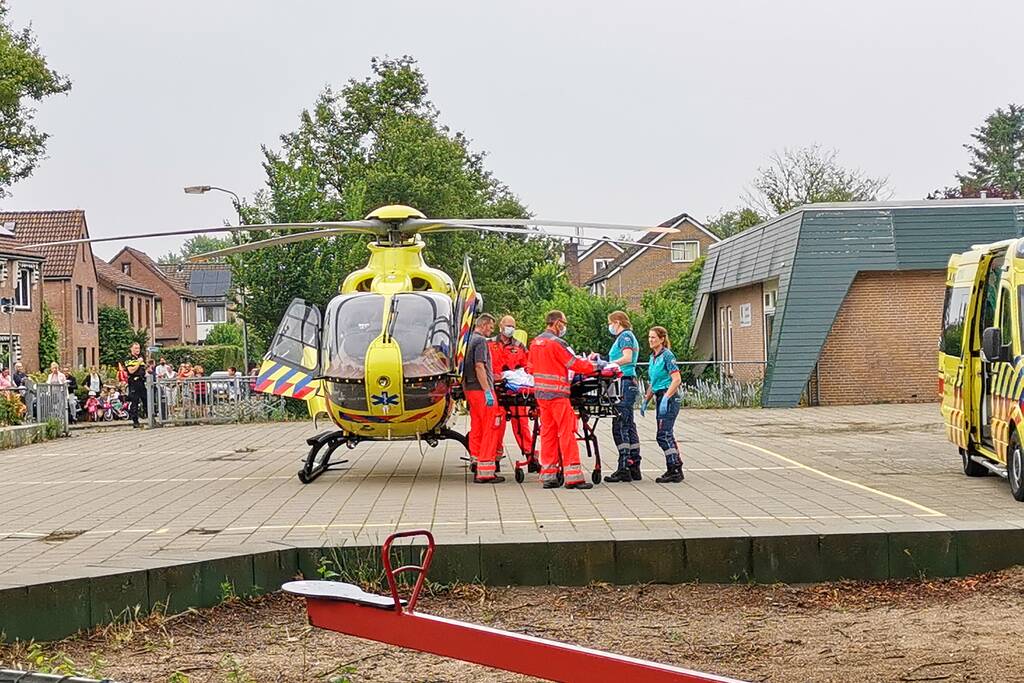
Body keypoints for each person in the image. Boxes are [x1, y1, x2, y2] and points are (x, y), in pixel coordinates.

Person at [528, 310, 601, 490]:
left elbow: (530, 368)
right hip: (558, 396)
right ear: (557, 323)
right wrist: (596, 366)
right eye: (564, 323)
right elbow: (574, 364)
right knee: (566, 433)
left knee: (548, 433)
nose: (564, 327)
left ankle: (549, 476)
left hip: (541, 396)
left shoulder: (535, 343)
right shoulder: (557, 343)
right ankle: (573, 477)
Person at [489, 315, 537, 471]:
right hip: (497, 390)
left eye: (513, 326)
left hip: (515, 391)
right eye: (508, 325)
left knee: (522, 423)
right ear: (501, 326)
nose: (510, 328)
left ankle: (530, 456)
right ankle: (495, 458)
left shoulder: (519, 346)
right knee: (497, 425)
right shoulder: (490, 344)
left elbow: (528, 366)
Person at [600, 310, 642, 483]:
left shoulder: (625, 336)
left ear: (617, 322)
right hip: (628, 382)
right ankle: (634, 465)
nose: (610, 326)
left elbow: (627, 357)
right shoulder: (628, 336)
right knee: (629, 424)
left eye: (611, 323)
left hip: (623, 382)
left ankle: (623, 466)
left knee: (620, 425)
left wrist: (608, 364)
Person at [462, 313, 503, 483]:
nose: (491, 331)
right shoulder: (480, 342)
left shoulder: (467, 340)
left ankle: (476, 461)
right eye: (491, 327)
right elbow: (479, 366)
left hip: (470, 389)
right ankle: (486, 472)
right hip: (481, 391)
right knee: (490, 427)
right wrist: (487, 391)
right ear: (484, 324)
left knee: (477, 427)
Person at [643, 326, 684, 483]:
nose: (650, 340)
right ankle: (675, 466)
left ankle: (674, 468)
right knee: (667, 434)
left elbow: (676, 379)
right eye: (649, 337)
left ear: (661, 339)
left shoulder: (667, 356)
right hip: (660, 396)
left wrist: (667, 397)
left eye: (653, 337)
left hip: (669, 397)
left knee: (663, 435)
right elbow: (654, 382)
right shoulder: (653, 357)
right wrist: (646, 399)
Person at [124, 342, 147, 428]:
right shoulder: (128, 358)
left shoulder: (140, 357)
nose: (138, 350)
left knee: (146, 400)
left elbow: (143, 369)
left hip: (142, 382)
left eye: (139, 348)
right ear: (131, 349)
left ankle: (151, 419)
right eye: (136, 348)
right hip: (134, 382)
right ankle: (135, 422)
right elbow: (131, 371)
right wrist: (138, 362)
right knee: (135, 402)